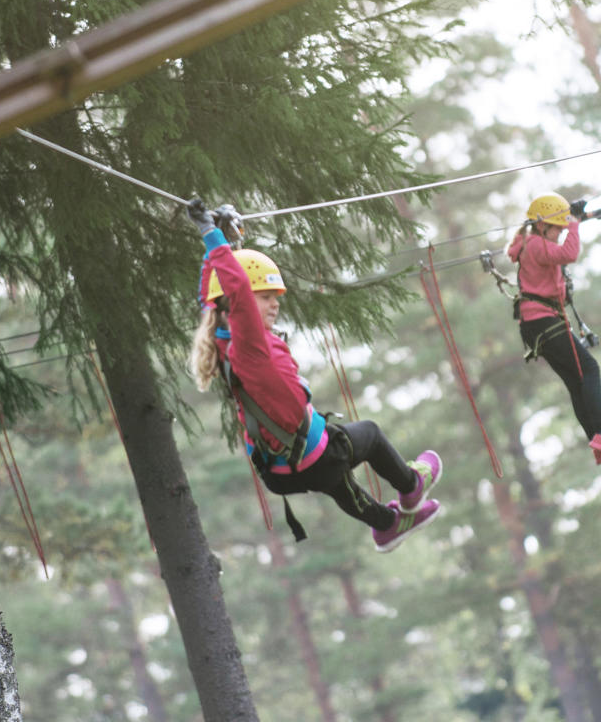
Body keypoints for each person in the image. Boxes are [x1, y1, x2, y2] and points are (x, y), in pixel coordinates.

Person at [186, 198, 441, 551]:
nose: (275, 303)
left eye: (275, 296)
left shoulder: (222, 341)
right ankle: (411, 485)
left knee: (338, 483)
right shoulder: (249, 347)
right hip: (313, 454)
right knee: (368, 434)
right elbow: (235, 292)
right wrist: (210, 235)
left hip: (279, 471)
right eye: (265, 297)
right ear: (237, 307)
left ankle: (387, 525)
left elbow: (210, 297)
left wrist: (219, 242)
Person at [506, 191, 601, 464]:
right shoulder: (537, 244)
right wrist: (575, 224)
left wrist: (581, 217)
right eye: (557, 229)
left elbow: (560, 244)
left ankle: (599, 443)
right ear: (542, 225)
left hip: (536, 323)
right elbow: (569, 253)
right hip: (543, 320)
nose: (561, 233)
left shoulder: (533, 242)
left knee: (577, 381)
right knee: (590, 369)